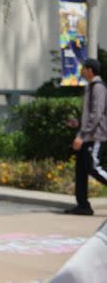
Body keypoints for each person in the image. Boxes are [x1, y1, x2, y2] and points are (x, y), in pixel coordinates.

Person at [66, 58, 107, 216]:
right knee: (81, 171)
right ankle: (83, 206)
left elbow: (96, 115)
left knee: (93, 167)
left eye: (83, 68)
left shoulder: (98, 87)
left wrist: (82, 135)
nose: (81, 71)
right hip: (88, 135)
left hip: (94, 136)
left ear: (90, 70)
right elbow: (91, 114)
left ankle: (83, 205)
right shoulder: (90, 87)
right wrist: (77, 123)